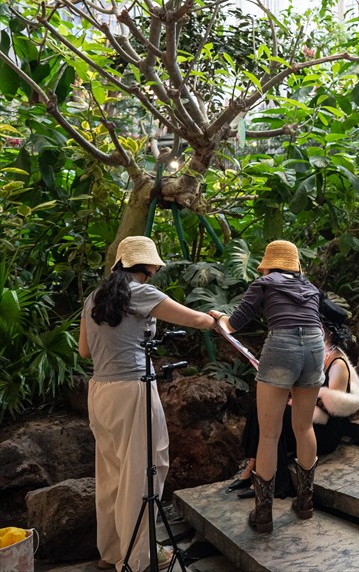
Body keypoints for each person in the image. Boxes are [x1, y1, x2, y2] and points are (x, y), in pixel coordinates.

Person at [79, 236, 219, 571]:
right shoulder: (141, 293)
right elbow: (198, 321)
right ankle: (138, 557)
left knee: (111, 473)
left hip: (99, 391)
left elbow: (84, 351)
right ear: (149, 265)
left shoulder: (94, 298)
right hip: (132, 390)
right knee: (143, 470)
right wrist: (215, 317)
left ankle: (111, 551)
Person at [209, 240, 324, 533]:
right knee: (304, 427)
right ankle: (305, 502)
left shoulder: (264, 283)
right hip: (315, 346)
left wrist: (218, 317)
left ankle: (263, 514)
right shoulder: (310, 288)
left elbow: (233, 324)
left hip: (282, 347)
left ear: (268, 265)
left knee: (270, 434)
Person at [229, 306, 359, 499]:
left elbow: (330, 408)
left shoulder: (338, 364)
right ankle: (252, 464)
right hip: (304, 414)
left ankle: (276, 481)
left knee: (277, 415)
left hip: (323, 430)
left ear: (328, 333)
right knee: (260, 404)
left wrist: (296, 398)